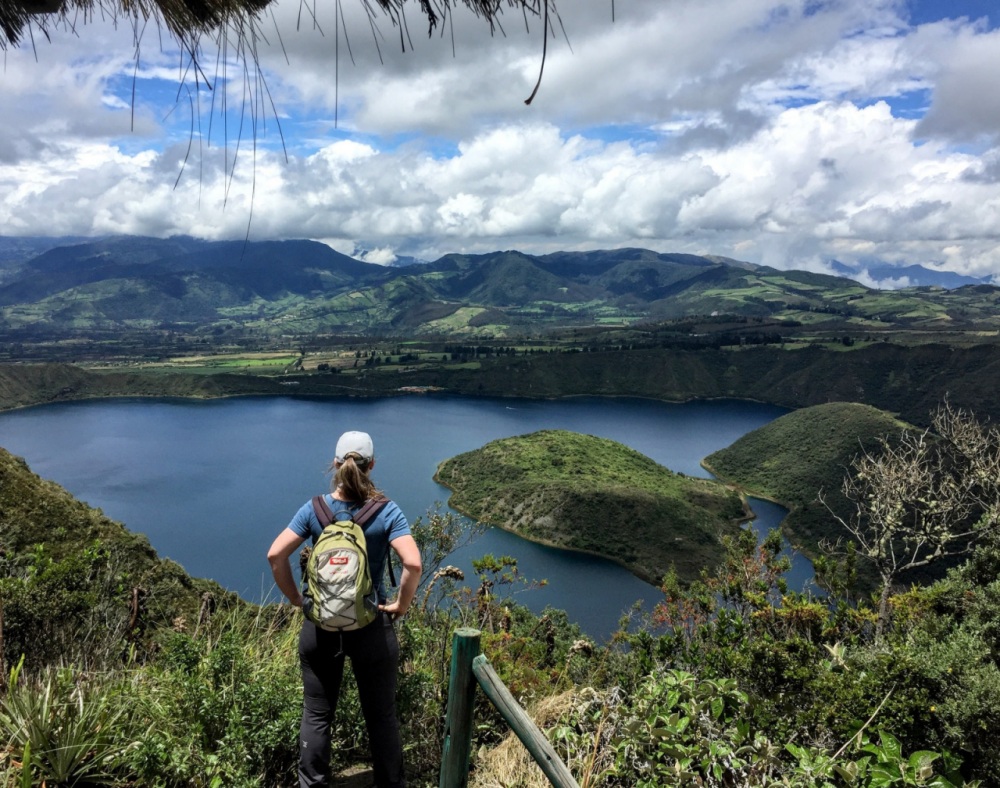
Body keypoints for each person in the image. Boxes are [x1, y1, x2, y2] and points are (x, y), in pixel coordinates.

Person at [267, 430, 422, 788]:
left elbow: (276, 555)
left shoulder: (315, 509)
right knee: (381, 716)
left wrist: (296, 599)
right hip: (371, 627)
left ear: (335, 465)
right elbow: (413, 564)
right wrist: (400, 603)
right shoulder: (387, 511)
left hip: (319, 627)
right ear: (372, 466)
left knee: (317, 713)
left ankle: (313, 784)